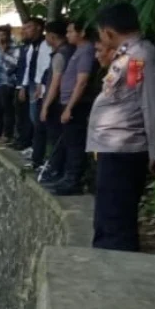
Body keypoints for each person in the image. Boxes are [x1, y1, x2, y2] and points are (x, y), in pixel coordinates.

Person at [87, 2, 155, 252]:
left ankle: (117, 269)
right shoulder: (126, 56)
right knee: (107, 213)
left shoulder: (140, 56)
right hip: (113, 149)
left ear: (108, 32)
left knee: (116, 218)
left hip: (125, 149)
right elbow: (128, 94)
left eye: (100, 32)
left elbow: (151, 104)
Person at [45, 20, 100, 195]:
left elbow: (82, 81)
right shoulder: (78, 51)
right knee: (69, 141)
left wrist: (69, 107)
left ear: (81, 32)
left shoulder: (86, 51)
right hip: (69, 102)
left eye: (70, 32)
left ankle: (73, 180)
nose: (67, 35)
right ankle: (68, 177)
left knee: (75, 143)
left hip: (77, 104)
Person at [34, 19, 74, 178]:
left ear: (52, 36)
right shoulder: (71, 50)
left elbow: (55, 82)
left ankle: (55, 170)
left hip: (57, 103)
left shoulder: (61, 54)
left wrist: (45, 105)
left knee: (56, 138)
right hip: (63, 101)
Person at [13, 17, 52, 152]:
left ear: (39, 28)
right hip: (31, 83)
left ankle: (40, 149)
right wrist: (23, 86)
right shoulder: (30, 46)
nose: (25, 31)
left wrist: (40, 84)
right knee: (30, 116)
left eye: (29, 27)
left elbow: (45, 67)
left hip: (39, 85)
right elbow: (28, 67)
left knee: (37, 118)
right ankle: (32, 146)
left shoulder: (45, 44)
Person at [0, 25, 21, 142]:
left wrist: (4, 51)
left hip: (6, 83)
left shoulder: (14, 49)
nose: (0, 37)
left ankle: (7, 134)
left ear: (8, 36)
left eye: (3, 35)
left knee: (6, 109)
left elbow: (13, 65)